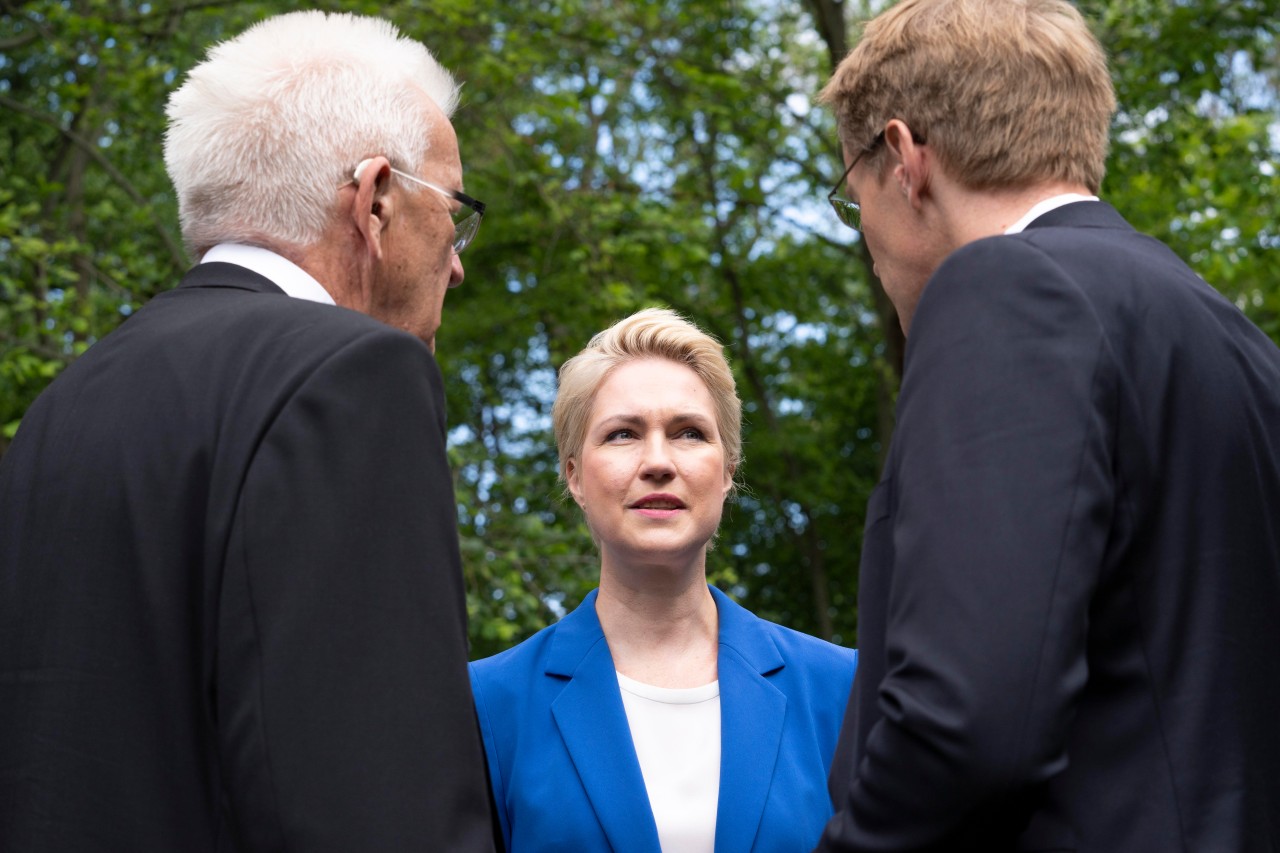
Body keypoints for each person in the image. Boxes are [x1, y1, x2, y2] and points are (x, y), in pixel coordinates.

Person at [0, 12, 496, 851]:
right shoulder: (355, 376)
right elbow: (378, 803)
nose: (457, 262)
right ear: (375, 199)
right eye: (454, 212)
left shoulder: (64, 405)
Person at [814, 0, 1280, 850]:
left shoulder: (1003, 290)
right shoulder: (1236, 343)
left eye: (852, 196)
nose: (867, 238)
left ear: (904, 157)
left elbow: (970, 722)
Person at [469, 308, 857, 853]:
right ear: (574, 475)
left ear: (727, 471)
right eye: (623, 434)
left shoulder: (842, 690)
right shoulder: (488, 704)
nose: (658, 461)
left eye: (689, 433)